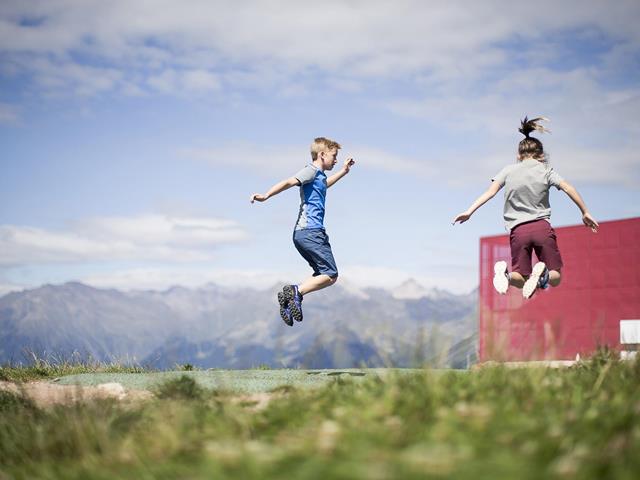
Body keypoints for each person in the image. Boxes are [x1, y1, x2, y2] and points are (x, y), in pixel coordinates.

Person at [452, 116, 599, 299]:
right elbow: (569, 187)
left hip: (518, 230)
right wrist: (584, 211)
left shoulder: (508, 170)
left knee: (520, 278)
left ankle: (504, 275)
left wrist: (469, 211)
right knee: (556, 276)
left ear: (518, 155)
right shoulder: (546, 170)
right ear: (541, 155)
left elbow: (490, 193)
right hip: (541, 228)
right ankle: (543, 275)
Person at [250, 137, 355, 325]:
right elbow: (289, 181)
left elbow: (324, 185)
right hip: (311, 232)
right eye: (334, 156)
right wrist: (266, 195)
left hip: (302, 234)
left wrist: (344, 172)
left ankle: (289, 300)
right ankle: (296, 292)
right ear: (322, 155)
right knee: (331, 274)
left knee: (321, 274)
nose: (336, 160)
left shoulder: (319, 176)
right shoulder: (310, 171)